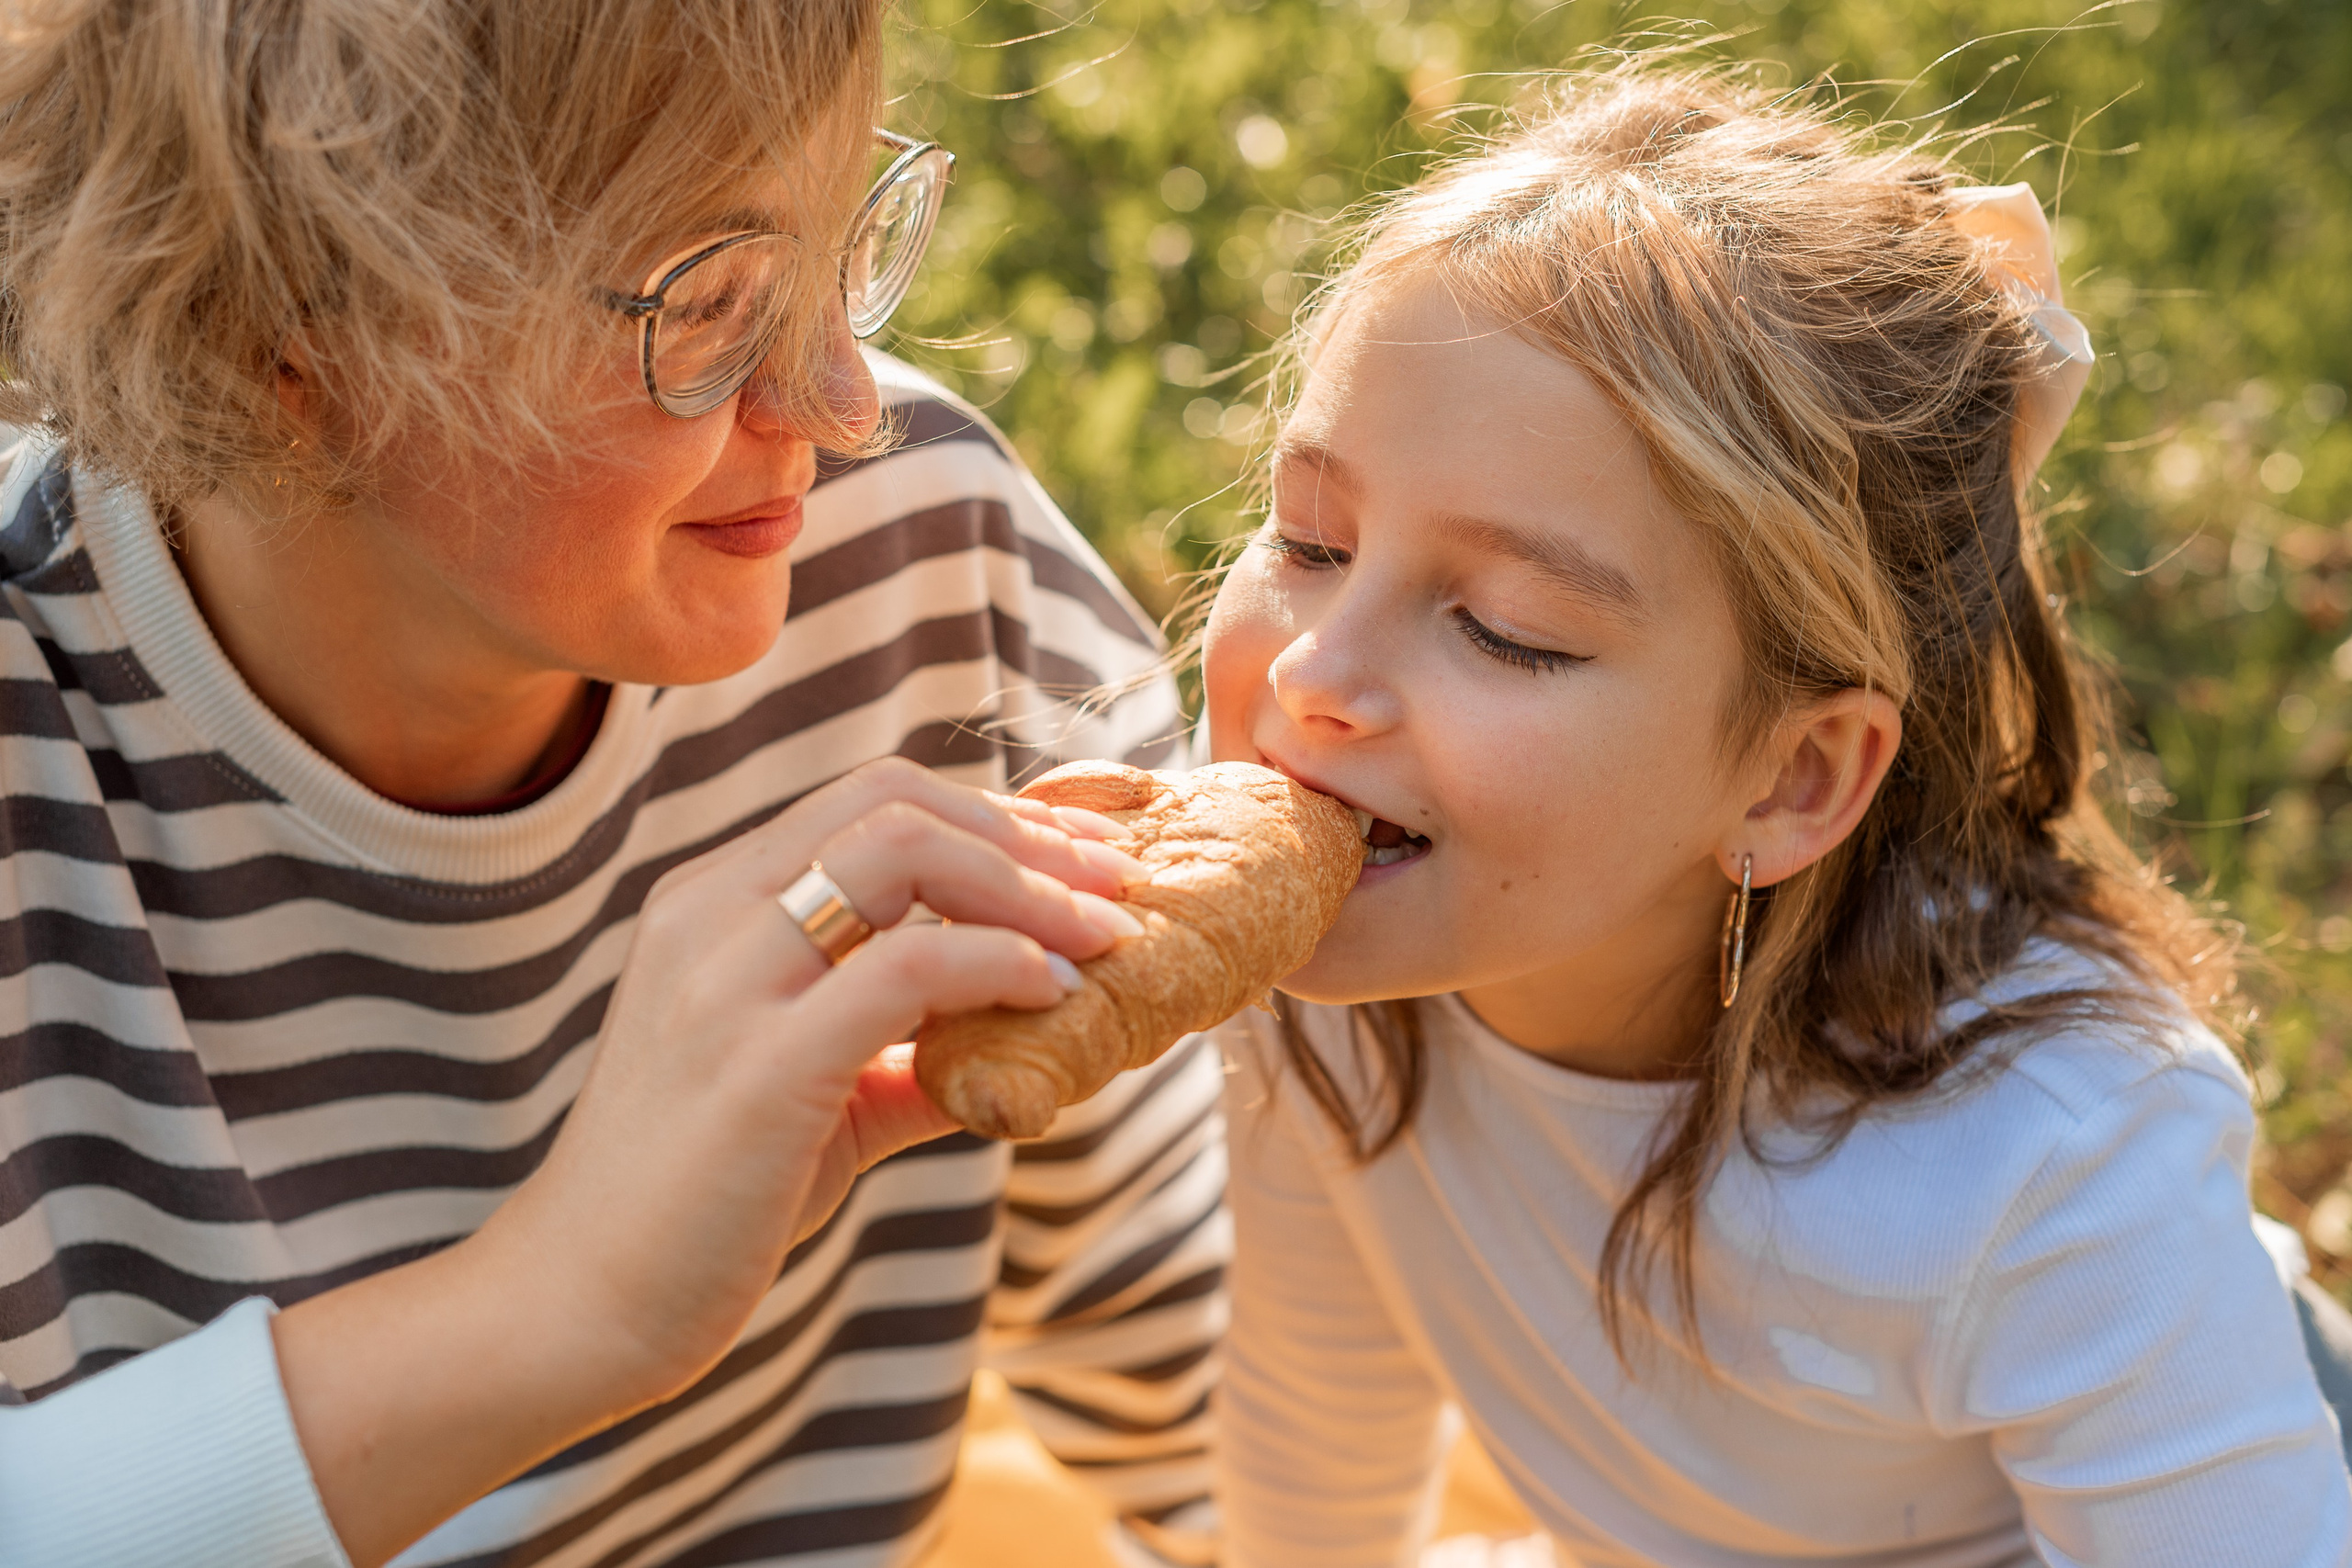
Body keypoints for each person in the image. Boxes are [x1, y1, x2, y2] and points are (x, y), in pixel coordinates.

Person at [0, 4, 1221, 1566]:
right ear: (278, 337)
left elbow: (1202, 1364)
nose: (843, 403)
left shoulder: (917, 555)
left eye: (843, 246)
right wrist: (557, 1310)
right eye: (709, 306)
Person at [1198, 66, 2352, 1567]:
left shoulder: (2049, 1160)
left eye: (1506, 627)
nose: (1317, 674)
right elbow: (1315, 1437)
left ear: (1792, 779)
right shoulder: (1338, 946)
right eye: (1310, 537)